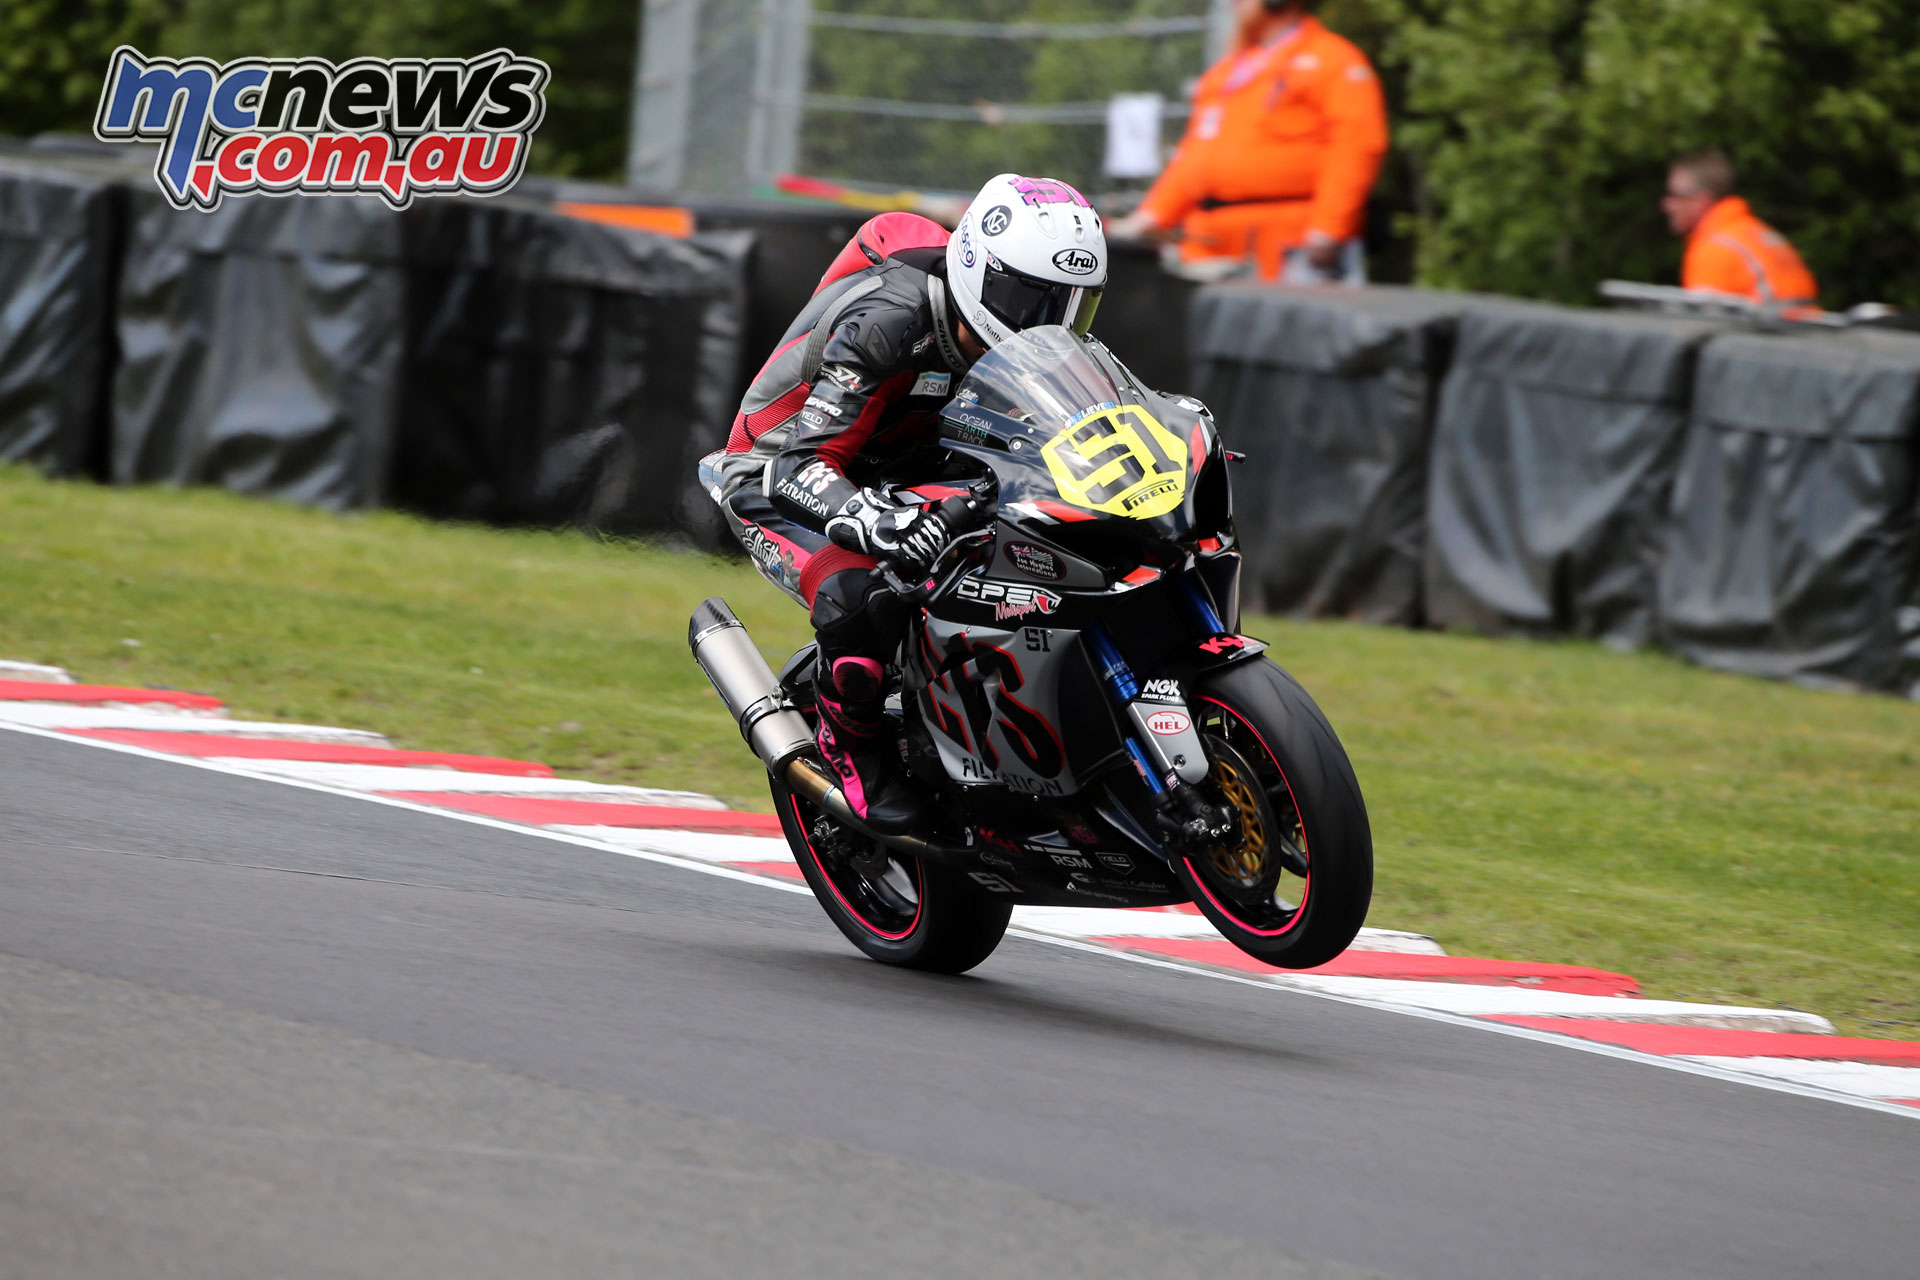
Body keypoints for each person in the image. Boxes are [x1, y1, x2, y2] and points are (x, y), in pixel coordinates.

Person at [703, 174, 1108, 832]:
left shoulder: (1017, 339)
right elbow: (804, 462)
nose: (1050, 324)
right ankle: (852, 747)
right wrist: (877, 522)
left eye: (1072, 308)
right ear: (979, 270)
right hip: (780, 473)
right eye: (1032, 300)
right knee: (865, 593)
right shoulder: (889, 321)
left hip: (911, 460)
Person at [1112, 0, 1386, 283]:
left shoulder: (1334, 59)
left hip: (1290, 248)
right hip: (1210, 245)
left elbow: (1357, 146)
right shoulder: (1226, 71)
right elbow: (1192, 158)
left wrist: (1329, 228)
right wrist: (1149, 218)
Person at [1664, 149, 1818, 306]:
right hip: (1805, 329)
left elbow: (1701, 325)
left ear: (1701, 201)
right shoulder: (1756, 233)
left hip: (1765, 330)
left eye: (1675, 195)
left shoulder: (1715, 250)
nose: (1666, 205)